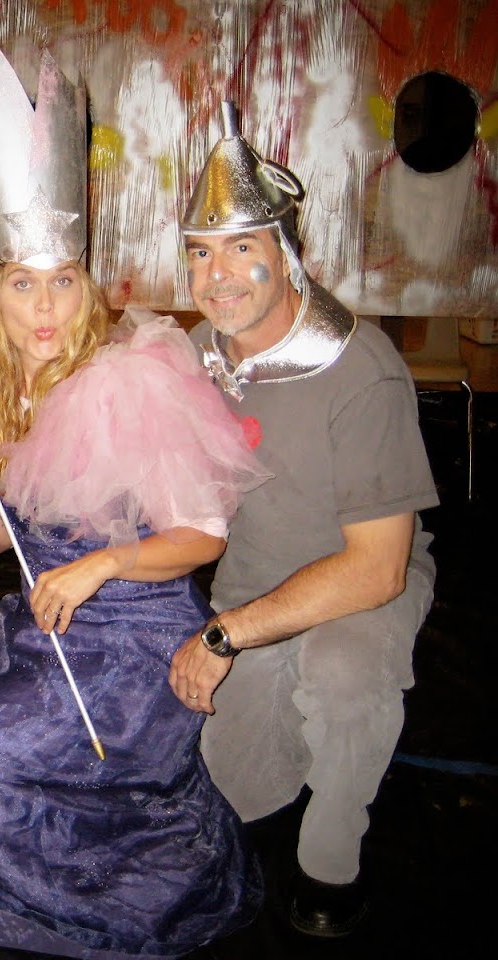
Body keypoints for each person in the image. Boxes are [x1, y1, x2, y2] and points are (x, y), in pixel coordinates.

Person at [0, 52, 267, 958]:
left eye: (62, 281)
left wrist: (101, 565)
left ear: (86, 287)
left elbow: (202, 538)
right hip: (46, 633)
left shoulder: (131, 381)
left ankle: (114, 903)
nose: (45, 308)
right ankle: (50, 903)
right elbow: (1, 542)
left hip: (136, 640)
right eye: (23, 284)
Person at [168, 102, 438, 938]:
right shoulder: (200, 356)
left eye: (241, 248)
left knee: (345, 681)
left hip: (358, 587)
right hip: (252, 586)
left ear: (286, 256)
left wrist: (223, 637)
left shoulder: (363, 371)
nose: (217, 274)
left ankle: (332, 863)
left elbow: (378, 569)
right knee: (234, 795)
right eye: (201, 252)